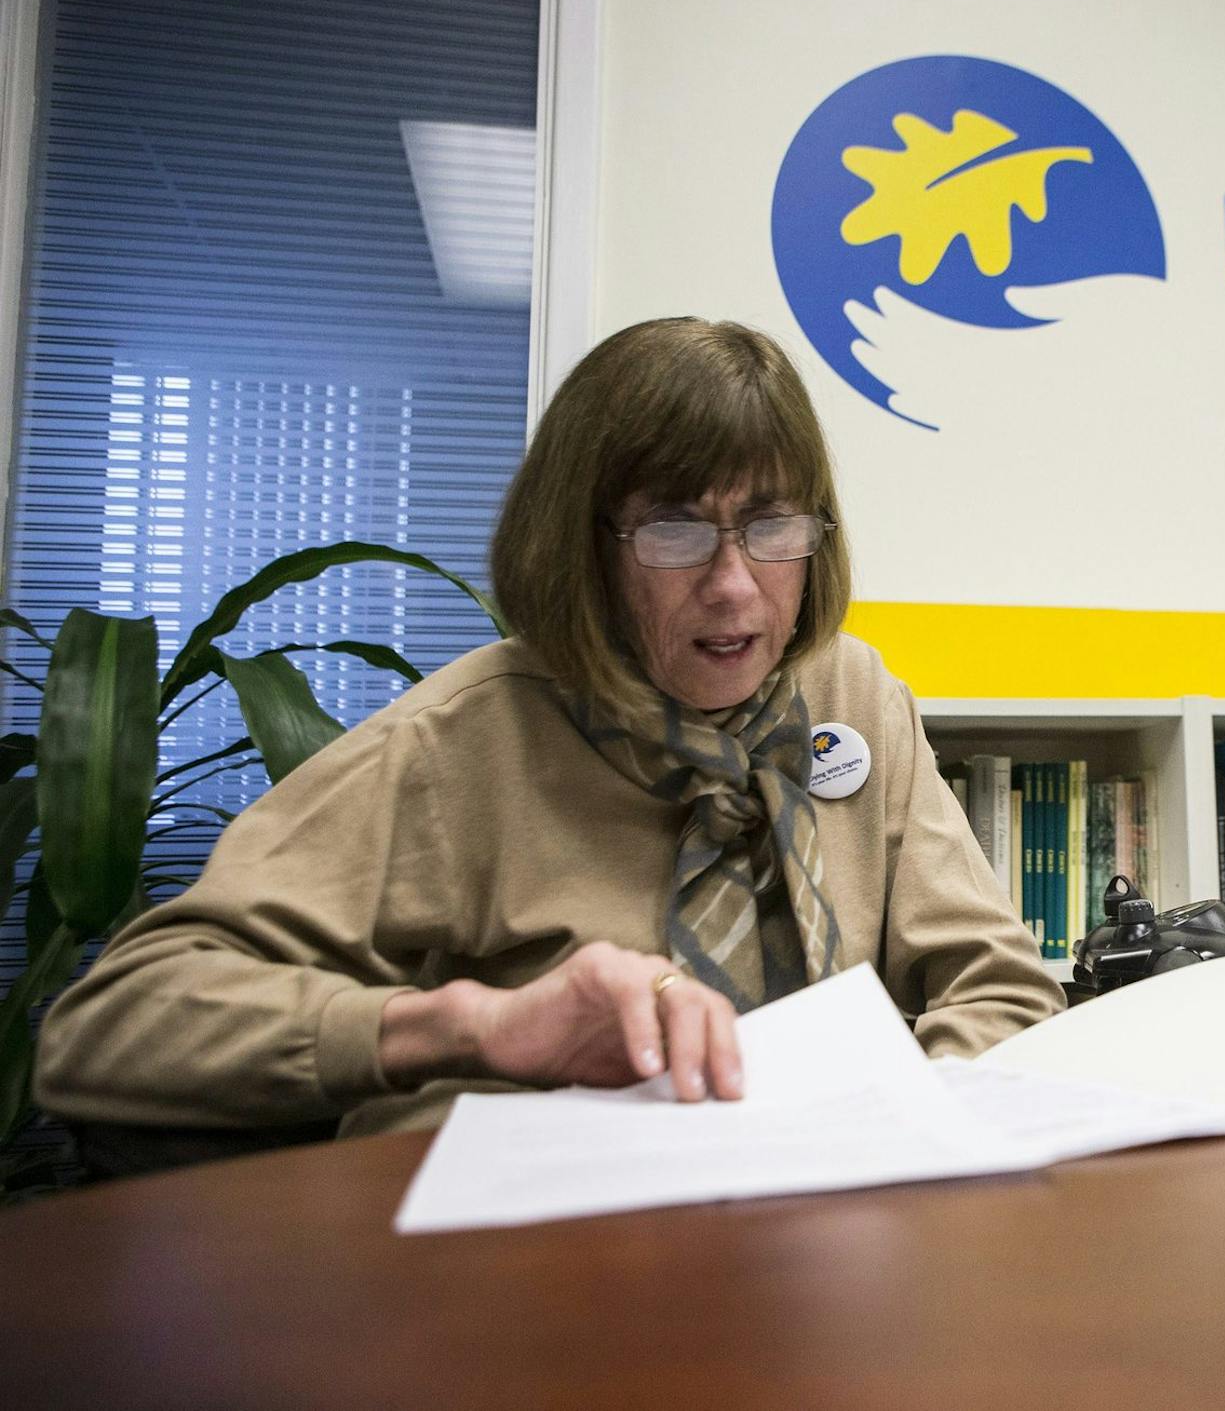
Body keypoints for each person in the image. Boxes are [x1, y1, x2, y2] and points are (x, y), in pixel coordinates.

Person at [35, 318, 1064, 1138]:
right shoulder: (454, 743)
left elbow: (1001, 988)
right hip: (530, 1278)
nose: (735, 586)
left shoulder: (852, 695)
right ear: (581, 547)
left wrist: (899, 1124)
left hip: (819, 1257)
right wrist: (468, 1026)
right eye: (673, 530)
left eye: (772, 525)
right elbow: (110, 1026)